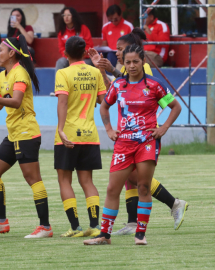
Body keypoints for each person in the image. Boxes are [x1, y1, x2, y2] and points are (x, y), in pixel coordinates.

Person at [89, 30, 188, 235]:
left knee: (139, 181)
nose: (117, 53)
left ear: (138, 56)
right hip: (126, 138)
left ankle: (169, 206)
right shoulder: (123, 70)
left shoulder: (145, 73)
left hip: (144, 138)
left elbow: (146, 90)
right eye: (117, 51)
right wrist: (102, 70)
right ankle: (132, 223)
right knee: (130, 181)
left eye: (120, 49)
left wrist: (163, 126)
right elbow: (114, 92)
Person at [0, 35, 52, 238]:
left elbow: (17, 102)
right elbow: (0, 105)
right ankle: (1, 222)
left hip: (26, 133)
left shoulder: (20, 73)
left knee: (32, 179)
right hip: (14, 134)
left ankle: (45, 227)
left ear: (12, 53)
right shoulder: (3, 75)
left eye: (0, 50)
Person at [54, 36, 106, 238]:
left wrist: (60, 129)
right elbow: (103, 99)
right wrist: (99, 69)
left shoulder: (63, 73)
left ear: (65, 53)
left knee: (64, 181)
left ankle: (75, 227)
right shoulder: (94, 72)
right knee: (87, 181)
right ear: (85, 53)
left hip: (68, 134)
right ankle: (94, 225)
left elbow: (63, 103)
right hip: (90, 134)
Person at [0, 8, 35, 93]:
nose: (15, 17)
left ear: (22, 17)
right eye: (13, 16)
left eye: (18, 15)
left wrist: (19, 27)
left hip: (23, 51)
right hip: (12, 52)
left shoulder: (28, 27)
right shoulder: (11, 30)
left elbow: (29, 40)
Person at [55, 7, 94, 73]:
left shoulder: (83, 28)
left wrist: (80, 56)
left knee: (87, 64)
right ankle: (59, 83)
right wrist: (69, 57)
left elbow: (89, 45)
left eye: (69, 15)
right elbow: (61, 48)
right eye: (64, 15)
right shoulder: (61, 32)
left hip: (83, 58)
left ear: (74, 16)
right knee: (60, 62)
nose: (66, 17)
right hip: (69, 58)